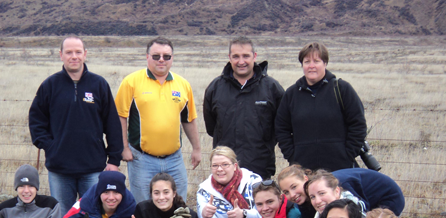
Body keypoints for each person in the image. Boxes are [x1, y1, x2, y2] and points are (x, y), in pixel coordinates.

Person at [29, 36, 123, 215]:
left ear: (85, 54)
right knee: (63, 216)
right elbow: (36, 120)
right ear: (61, 55)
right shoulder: (50, 85)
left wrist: (114, 160)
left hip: (93, 168)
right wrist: (50, 146)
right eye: (69, 52)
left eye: (78, 52)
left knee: (94, 213)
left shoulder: (99, 84)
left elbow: (112, 124)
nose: (74, 56)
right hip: (60, 169)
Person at [115, 36, 202, 204]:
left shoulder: (183, 84)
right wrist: (124, 147)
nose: (161, 60)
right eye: (156, 56)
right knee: (144, 207)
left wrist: (197, 148)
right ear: (147, 56)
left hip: (174, 159)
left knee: (179, 207)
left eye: (166, 56)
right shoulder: (131, 82)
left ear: (172, 58)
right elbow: (121, 116)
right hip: (142, 159)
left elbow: (189, 119)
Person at [275, 42, 367, 172]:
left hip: (340, 169)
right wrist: (293, 157)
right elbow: (281, 128)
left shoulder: (342, 89)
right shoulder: (291, 94)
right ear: (302, 65)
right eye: (307, 62)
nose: (311, 66)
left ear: (325, 63)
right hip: (304, 170)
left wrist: (347, 154)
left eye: (316, 61)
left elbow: (358, 124)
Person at [203, 37, 285, 180]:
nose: (241, 62)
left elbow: (282, 127)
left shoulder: (272, 88)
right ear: (229, 58)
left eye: (246, 56)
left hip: (260, 170)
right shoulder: (215, 88)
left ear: (255, 56)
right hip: (225, 173)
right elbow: (211, 128)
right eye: (236, 56)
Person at [306, 170, 405, 218]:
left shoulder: (347, 194)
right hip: (368, 198)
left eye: (322, 193)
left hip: (389, 197)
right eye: (312, 197)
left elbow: (362, 209)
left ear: (337, 191)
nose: (317, 201)